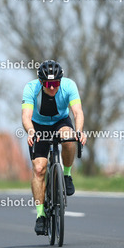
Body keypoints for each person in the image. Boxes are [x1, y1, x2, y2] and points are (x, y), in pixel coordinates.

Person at [21, 60, 87, 235]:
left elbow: (77, 112)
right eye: (48, 84)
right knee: (39, 169)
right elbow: (26, 116)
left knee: (69, 139)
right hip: (38, 126)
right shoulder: (31, 88)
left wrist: (79, 131)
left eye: (56, 84)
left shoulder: (69, 85)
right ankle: (40, 215)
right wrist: (31, 131)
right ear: (41, 82)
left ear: (60, 81)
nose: (52, 88)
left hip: (60, 122)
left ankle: (66, 175)